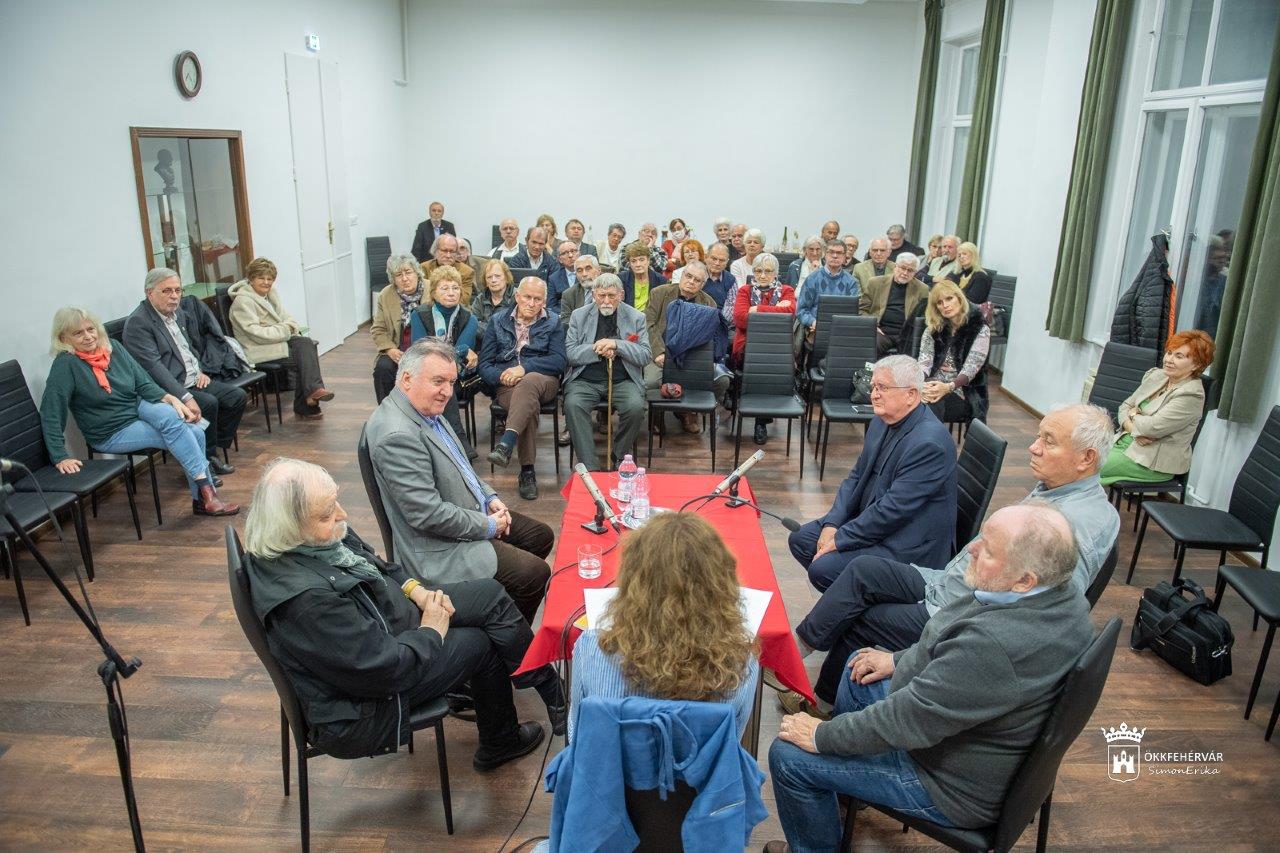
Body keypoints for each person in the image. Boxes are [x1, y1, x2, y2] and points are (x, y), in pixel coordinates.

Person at [766, 504, 1091, 849]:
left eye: (989, 551)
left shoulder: (994, 645)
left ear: (1025, 580)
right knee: (859, 668)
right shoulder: (1063, 595)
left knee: (789, 758)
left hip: (946, 784)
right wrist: (897, 659)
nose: (971, 549)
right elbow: (948, 654)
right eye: (982, 537)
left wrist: (822, 736)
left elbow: (906, 721)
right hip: (965, 741)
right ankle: (844, 787)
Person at [785, 403, 1117, 714]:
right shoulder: (1061, 490)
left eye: (1049, 441)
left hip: (954, 610)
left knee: (864, 618)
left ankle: (826, 706)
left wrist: (904, 658)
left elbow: (1039, 618)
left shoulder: (1073, 527)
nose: (1033, 447)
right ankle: (795, 652)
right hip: (948, 581)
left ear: (1085, 459)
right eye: (1038, 435)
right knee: (863, 570)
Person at [241, 458, 562, 765]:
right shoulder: (306, 602)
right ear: (289, 526)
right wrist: (432, 631)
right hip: (361, 707)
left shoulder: (311, 540)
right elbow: (383, 670)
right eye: (326, 514)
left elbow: (378, 564)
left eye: (335, 502)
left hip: (380, 617)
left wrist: (416, 591)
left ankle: (546, 687)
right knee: (481, 644)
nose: (341, 514)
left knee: (489, 595)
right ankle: (501, 742)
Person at [363, 338, 555, 625]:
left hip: (463, 509)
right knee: (534, 574)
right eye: (438, 381)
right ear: (406, 379)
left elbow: (461, 466)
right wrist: (489, 525)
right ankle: (508, 637)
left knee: (540, 536)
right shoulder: (397, 435)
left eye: (451, 382)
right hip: (437, 548)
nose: (447, 392)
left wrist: (489, 497)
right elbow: (426, 515)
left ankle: (498, 611)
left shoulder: (424, 408)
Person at [568, 512, 759, 742]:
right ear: (720, 586)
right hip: (698, 777)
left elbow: (578, 733)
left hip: (610, 774)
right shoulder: (741, 664)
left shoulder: (592, 648)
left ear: (633, 582)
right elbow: (732, 742)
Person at [40, 307, 238, 516]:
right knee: (194, 432)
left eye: (90, 329)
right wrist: (60, 456)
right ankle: (206, 495)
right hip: (111, 430)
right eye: (78, 333)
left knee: (177, 420)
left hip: (136, 409)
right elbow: (51, 411)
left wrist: (171, 398)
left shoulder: (112, 347)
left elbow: (143, 382)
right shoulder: (65, 365)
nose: (88, 337)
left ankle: (204, 498)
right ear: (63, 337)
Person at [789, 355, 956, 592]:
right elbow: (856, 477)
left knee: (822, 569)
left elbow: (893, 510)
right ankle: (852, 601)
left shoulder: (929, 444)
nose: (873, 394)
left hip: (907, 543)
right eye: (874, 386)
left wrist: (840, 539)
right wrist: (832, 523)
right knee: (802, 540)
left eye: (883, 388)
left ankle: (858, 611)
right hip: (874, 520)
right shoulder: (881, 420)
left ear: (911, 395)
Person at [124, 267, 245, 476]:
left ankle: (210, 448)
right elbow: (154, 368)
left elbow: (188, 347)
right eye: (167, 291)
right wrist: (185, 396)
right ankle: (205, 459)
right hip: (168, 389)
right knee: (208, 403)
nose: (174, 296)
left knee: (236, 397)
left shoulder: (177, 313)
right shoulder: (139, 323)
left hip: (193, 378)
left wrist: (199, 371)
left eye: (178, 290)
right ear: (149, 292)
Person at [481, 277, 567, 501]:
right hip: (507, 385)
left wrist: (524, 368)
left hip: (543, 381)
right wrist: (502, 375)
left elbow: (559, 361)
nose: (531, 303)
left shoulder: (554, 322)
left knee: (528, 383)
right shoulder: (498, 320)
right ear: (517, 296)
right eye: (527, 297)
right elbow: (484, 365)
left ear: (544, 302)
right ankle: (527, 471)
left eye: (537, 299)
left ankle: (506, 443)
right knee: (527, 405)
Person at [1099, 330, 1213, 487]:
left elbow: (1151, 428)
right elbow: (1124, 406)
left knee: (1084, 467)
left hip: (1150, 461)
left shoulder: (1191, 395)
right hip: (1123, 443)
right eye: (1169, 353)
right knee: (1075, 458)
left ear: (1197, 365)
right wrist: (1134, 427)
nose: (1169, 360)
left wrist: (1132, 414)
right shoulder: (1158, 376)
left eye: (1178, 356)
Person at [228, 257, 334, 420]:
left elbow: (289, 319)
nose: (266, 282)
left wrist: (286, 327)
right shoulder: (242, 302)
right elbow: (256, 334)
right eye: (261, 278)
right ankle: (308, 402)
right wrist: (285, 329)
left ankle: (313, 394)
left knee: (307, 344)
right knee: (303, 357)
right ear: (251, 279)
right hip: (258, 349)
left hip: (276, 341)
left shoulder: (271, 295)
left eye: (270, 279)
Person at [563, 275, 651, 470]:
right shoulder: (579, 316)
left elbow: (645, 355)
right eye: (601, 295)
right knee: (573, 405)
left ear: (621, 295)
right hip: (585, 380)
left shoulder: (637, 317)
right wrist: (599, 347)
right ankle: (590, 465)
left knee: (636, 407)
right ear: (593, 295)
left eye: (611, 296)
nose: (606, 301)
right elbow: (571, 354)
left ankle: (619, 455)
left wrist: (617, 345)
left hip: (623, 379)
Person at [644, 260, 728, 433]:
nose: (691, 281)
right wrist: (659, 352)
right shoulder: (659, 293)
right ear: (681, 276)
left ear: (703, 284)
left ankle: (688, 412)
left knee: (722, 381)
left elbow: (710, 337)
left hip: (692, 357)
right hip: (662, 352)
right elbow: (649, 324)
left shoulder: (708, 303)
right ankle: (657, 415)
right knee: (651, 381)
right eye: (688, 276)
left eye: (697, 280)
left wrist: (706, 361)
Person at [732, 253, 795, 445]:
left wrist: (756, 310)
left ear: (775, 273)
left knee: (774, 362)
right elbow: (740, 318)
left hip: (777, 345)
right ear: (753, 272)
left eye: (768, 271)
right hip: (748, 345)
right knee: (760, 362)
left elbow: (790, 315)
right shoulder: (744, 290)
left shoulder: (786, 290)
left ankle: (762, 419)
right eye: (758, 271)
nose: (763, 275)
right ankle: (761, 421)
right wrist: (775, 312)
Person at [918, 281, 990, 423]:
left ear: (959, 298)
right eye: (939, 302)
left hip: (962, 389)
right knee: (908, 400)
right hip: (932, 384)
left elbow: (970, 369)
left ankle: (930, 443)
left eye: (949, 299)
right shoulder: (933, 328)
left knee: (929, 406)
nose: (945, 305)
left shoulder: (980, 328)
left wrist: (947, 387)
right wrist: (919, 383)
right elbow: (924, 360)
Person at [370, 253, 428, 403]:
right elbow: (378, 330)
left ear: (417, 272)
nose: (404, 278)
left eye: (408, 272)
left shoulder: (431, 288)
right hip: (398, 349)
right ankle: (386, 412)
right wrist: (390, 350)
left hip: (426, 349)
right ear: (393, 279)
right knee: (383, 368)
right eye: (398, 275)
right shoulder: (386, 295)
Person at [412, 266, 479, 382]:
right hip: (424, 371)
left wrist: (460, 351)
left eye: (455, 288)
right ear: (433, 293)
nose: (451, 293)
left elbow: (456, 358)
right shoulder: (419, 314)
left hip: (454, 375)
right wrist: (463, 349)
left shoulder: (470, 319)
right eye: (445, 288)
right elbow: (420, 351)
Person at [861, 253, 928, 356]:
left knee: (913, 354)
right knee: (871, 344)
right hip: (881, 331)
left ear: (915, 272)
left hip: (906, 334)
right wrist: (872, 325)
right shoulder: (875, 283)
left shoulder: (922, 289)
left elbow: (925, 315)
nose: (905, 273)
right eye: (903, 268)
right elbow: (862, 309)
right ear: (895, 267)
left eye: (910, 270)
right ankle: (867, 372)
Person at [796, 240, 857, 337]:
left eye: (839, 253)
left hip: (842, 330)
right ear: (825, 254)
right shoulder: (812, 279)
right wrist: (812, 322)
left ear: (845, 256)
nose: (835, 256)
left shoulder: (851, 282)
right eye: (831, 252)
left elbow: (852, 313)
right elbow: (801, 310)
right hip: (815, 328)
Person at [420, 233, 476, 305]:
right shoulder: (424, 268)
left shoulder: (467, 272)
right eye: (444, 251)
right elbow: (422, 296)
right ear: (435, 251)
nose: (448, 255)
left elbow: (463, 300)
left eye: (452, 251)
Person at [471, 258, 515, 343]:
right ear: (486, 282)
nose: (493, 280)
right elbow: (473, 325)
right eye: (489, 277)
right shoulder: (480, 298)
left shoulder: (516, 297)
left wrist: (483, 326)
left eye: (497, 276)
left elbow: (512, 330)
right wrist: (498, 330)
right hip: (483, 345)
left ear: (506, 278)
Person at [619, 240, 667, 311]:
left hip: (651, 320)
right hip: (627, 319)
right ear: (629, 263)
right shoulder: (621, 279)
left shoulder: (660, 280)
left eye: (641, 260)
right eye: (633, 261)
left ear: (648, 260)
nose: (638, 264)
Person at [558, 254, 601, 329]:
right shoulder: (568, 294)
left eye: (588, 269)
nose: (584, 274)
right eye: (579, 271)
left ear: (598, 270)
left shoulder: (609, 290)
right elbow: (565, 322)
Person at [547, 240, 581, 314]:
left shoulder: (587, 274)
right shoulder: (553, 278)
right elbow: (550, 306)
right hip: (562, 317)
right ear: (560, 259)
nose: (570, 255)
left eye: (573, 251)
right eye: (565, 253)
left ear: (579, 254)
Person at [702, 241, 736, 309]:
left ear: (727, 261)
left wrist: (720, 319)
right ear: (706, 257)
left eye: (722, 260)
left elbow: (731, 306)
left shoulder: (731, 279)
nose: (717, 263)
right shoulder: (697, 275)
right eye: (714, 259)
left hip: (721, 317)